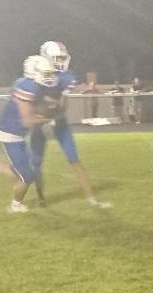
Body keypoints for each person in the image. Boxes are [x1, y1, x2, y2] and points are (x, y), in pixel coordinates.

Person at [28, 41, 111, 208]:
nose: (60, 61)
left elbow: (63, 104)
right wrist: (42, 110)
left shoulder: (66, 77)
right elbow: (30, 102)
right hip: (39, 124)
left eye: (61, 57)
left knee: (74, 159)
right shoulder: (34, 75)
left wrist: (52, 106)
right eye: (56, 58)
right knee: (36, 163)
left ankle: (92, 199)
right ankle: (41, 197)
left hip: (59, 122)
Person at [0, 56, 56, 213]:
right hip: (9, 137)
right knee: (26, 176)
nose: (48, 77)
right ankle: (15, 205)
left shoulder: (27, 84)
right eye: (46, 73)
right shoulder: (28, 87)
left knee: (24, 173)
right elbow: (27, 121)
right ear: (34, 72)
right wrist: (47, 118)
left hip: (15, 136)